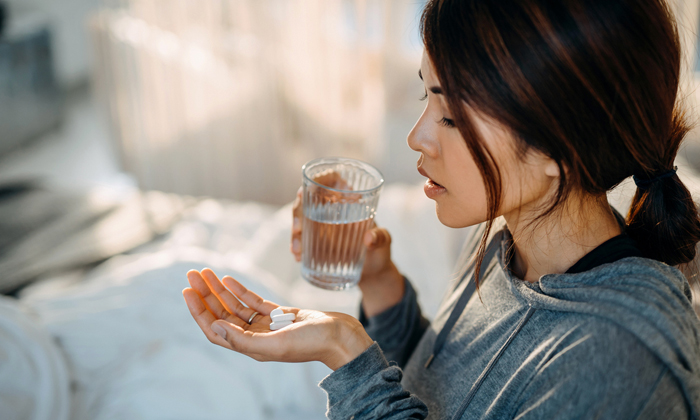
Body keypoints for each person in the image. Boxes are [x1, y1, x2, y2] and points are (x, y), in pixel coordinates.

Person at [182, 0, 700, 417]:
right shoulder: (509, 239)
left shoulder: (618, 361)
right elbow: (439, 392)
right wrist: (381, 285)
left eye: (450, 116)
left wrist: (346, 353)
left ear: (560, 149)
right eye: (425, 97)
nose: (416, 138)